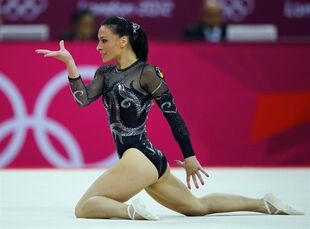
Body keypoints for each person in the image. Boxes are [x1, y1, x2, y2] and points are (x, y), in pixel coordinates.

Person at [36, 16, 303, 220]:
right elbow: (82, 99)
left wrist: (189, 156)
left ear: (123, 41)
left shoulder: (148, 73)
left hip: (139, 156)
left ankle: (132, 211)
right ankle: (263, 203)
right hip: (148, 159)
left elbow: (173, 116)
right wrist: (70, 64)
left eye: (103, 40)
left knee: (84, 207)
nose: (97, 47)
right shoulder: (105, 73)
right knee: (197, 207)